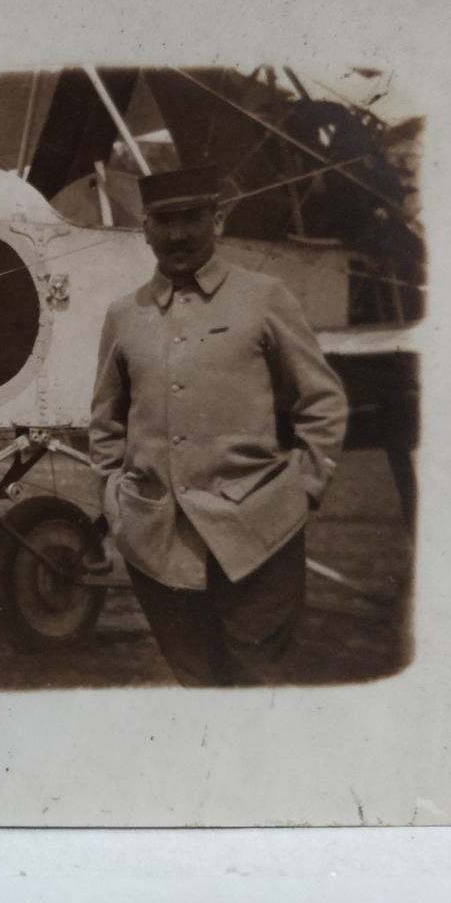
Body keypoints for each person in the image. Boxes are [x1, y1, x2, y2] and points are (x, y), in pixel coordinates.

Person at [89, 163, 349, 687]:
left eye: (192, 218)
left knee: (255, 684)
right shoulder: (124, 314)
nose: (178, 233)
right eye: (164, 220)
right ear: (145, 229)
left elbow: (322, 401)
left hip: (259, 535)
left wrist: (305, 489)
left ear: (218, 220)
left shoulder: (264, 296)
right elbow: (105, 422)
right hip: (158, 542)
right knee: (197, 681)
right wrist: (114, 500)